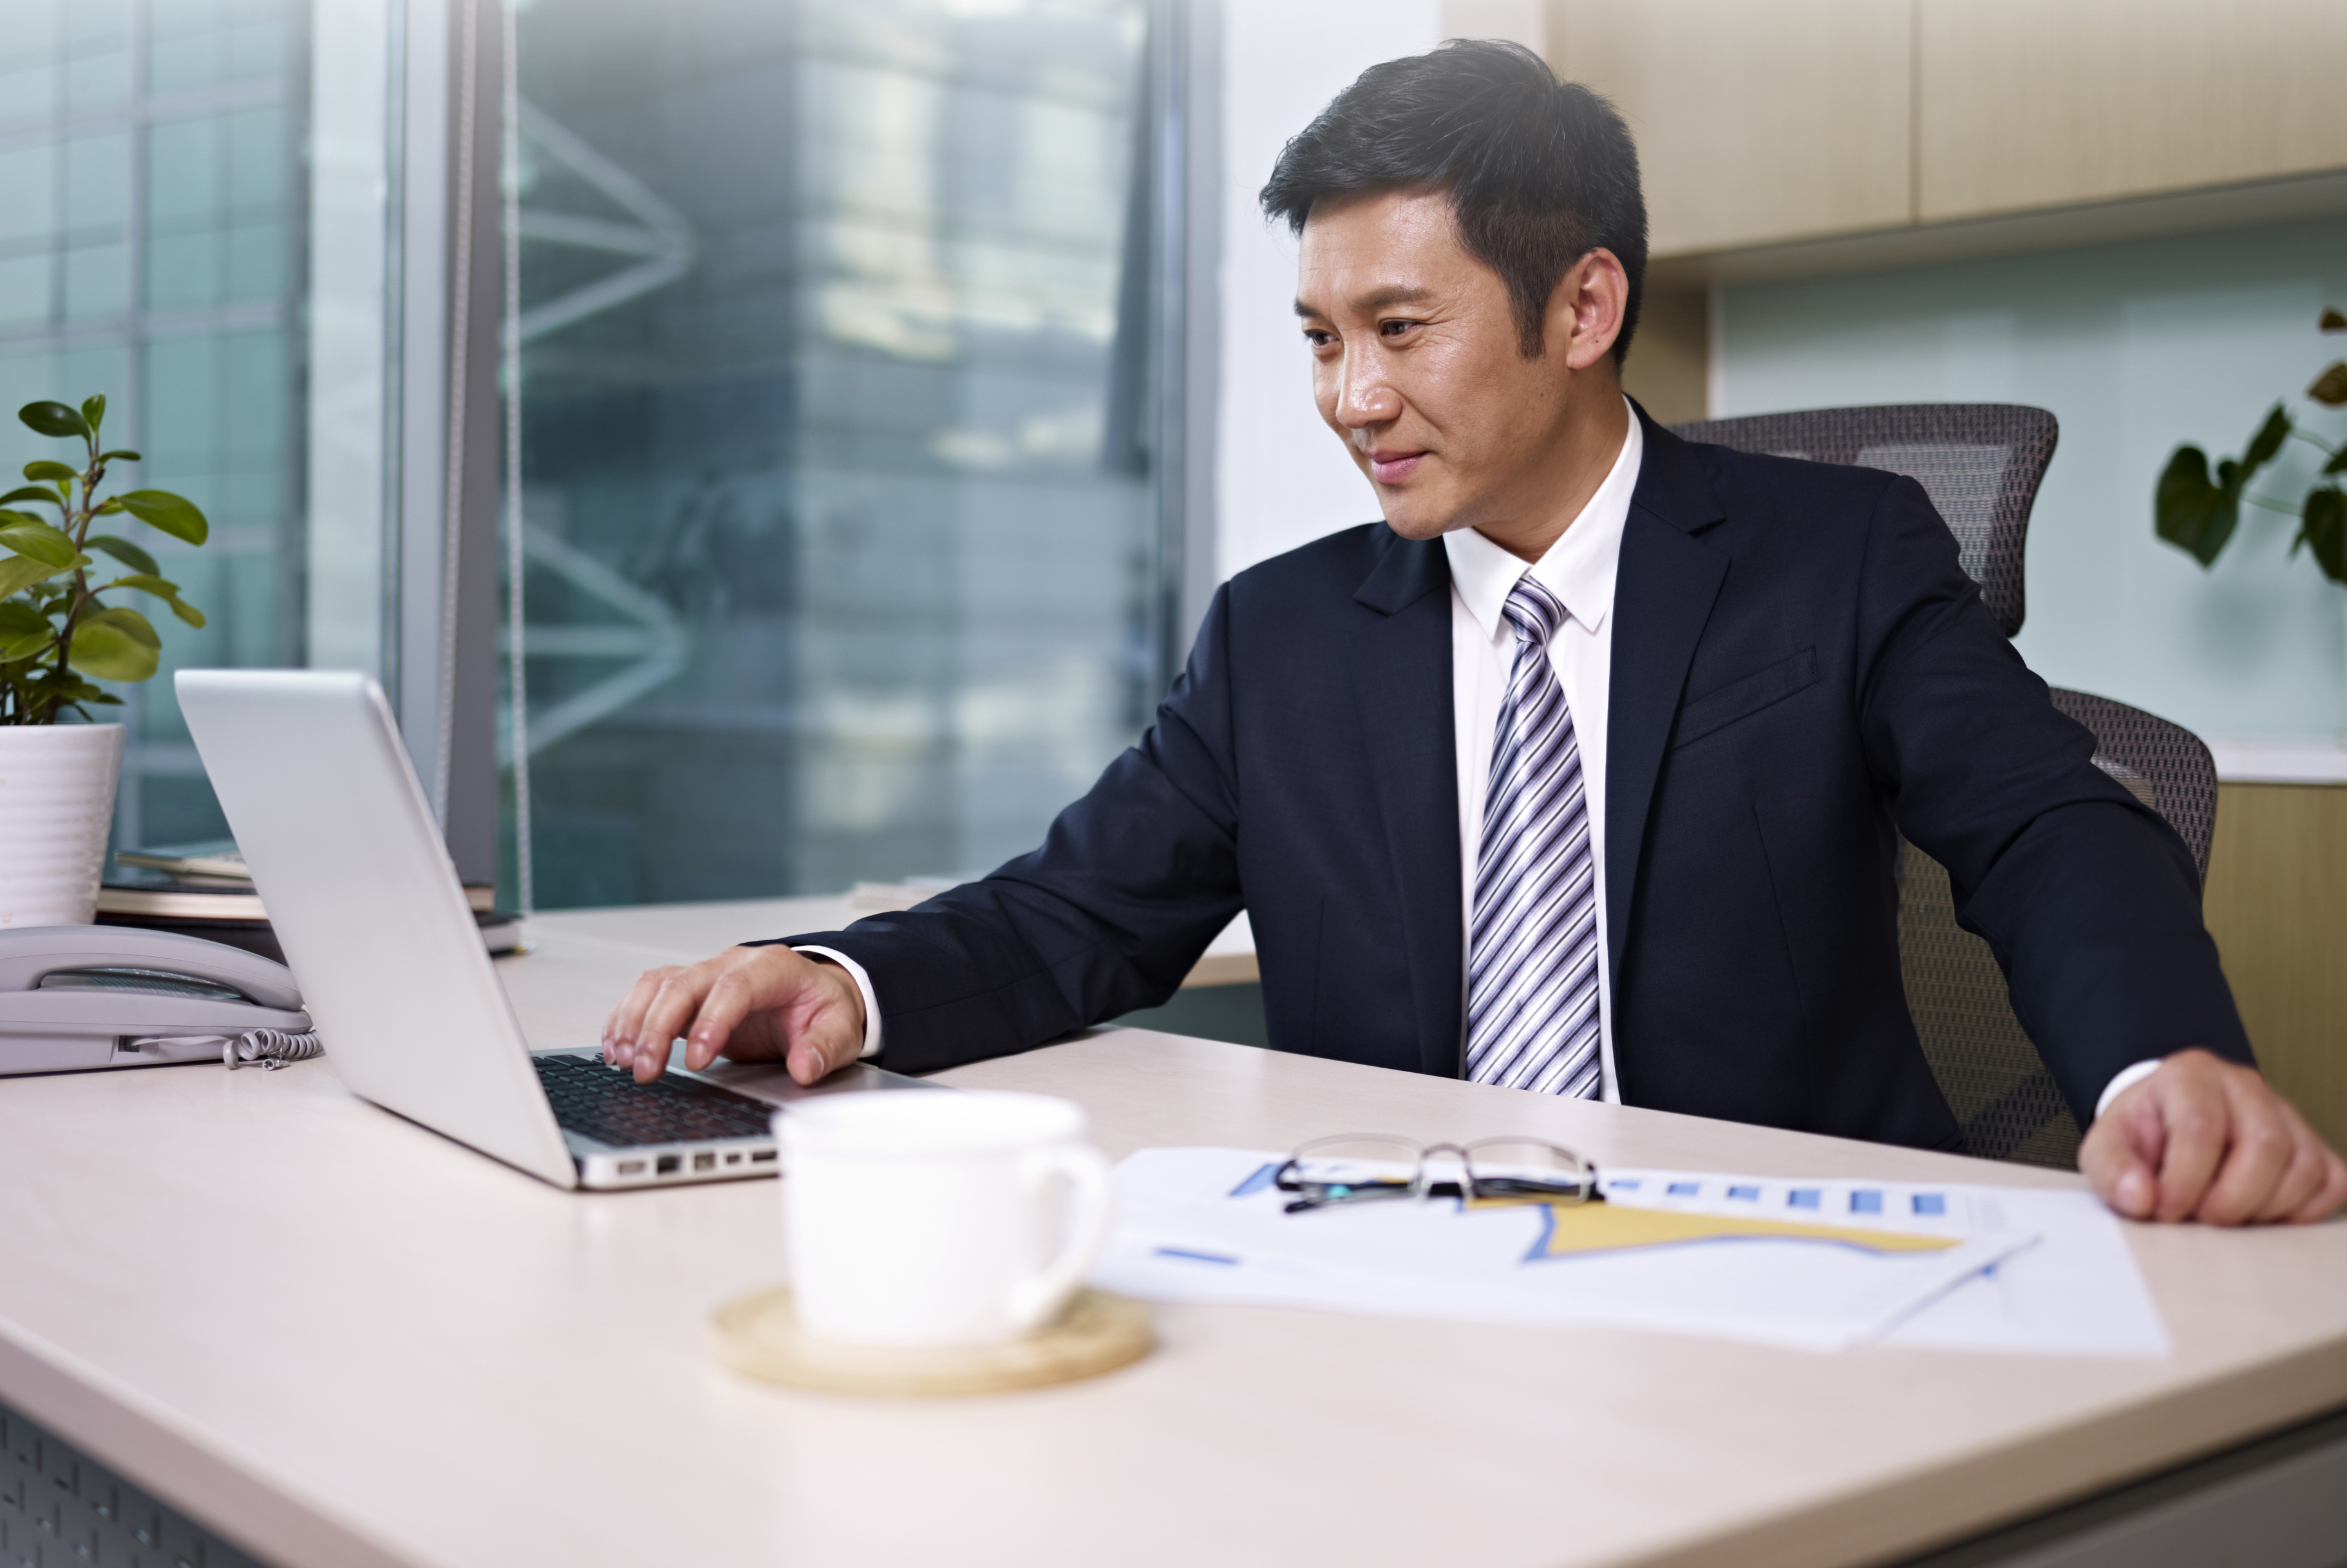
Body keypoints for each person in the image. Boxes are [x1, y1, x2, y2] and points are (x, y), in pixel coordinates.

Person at [603, 42, 2346, 1226]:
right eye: (1316, 337)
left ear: (1584, 304)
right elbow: (1075, 913)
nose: (1350, 396)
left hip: (1773, 1274)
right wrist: (835, 975)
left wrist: (2161, 1063)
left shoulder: (1838, 557)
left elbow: (2044, 824)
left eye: (1400, 327)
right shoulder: (1281, 634)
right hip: (1403, 1281)